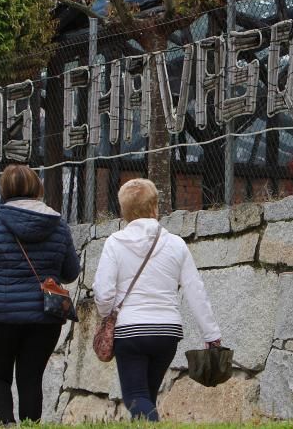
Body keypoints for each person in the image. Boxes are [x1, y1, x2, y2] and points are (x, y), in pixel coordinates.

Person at [0, 164, 80, 425]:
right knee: (31, 378)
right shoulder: (58, 226)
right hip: (44, 316)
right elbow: (71, 272)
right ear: (37, 188)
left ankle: (7, 423)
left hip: (0, 316)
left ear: (4, 190)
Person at [93, 178, 221, 421]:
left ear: (124, 210)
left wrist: (106, 314)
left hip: (130, 331)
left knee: (135, 398)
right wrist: (211, 335)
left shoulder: (115, 243)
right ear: (155, 207)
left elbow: (104, 294)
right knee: (146, 397)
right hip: (167, 332)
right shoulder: (176, 244)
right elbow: (196, 291)